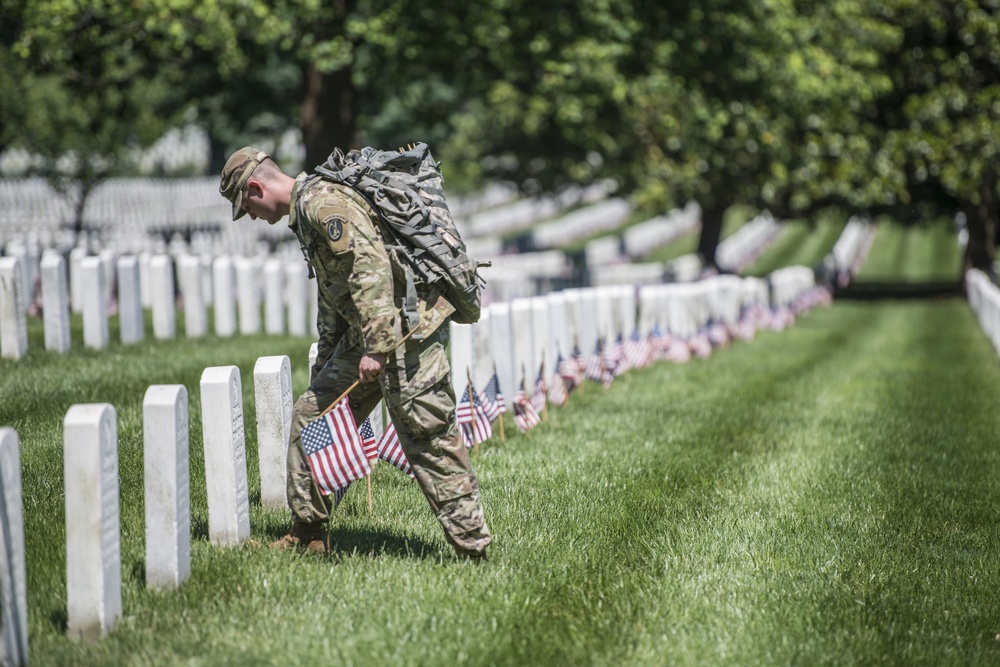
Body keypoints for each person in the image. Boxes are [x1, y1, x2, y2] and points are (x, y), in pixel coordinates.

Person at [219, 146, 491, 559]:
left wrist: (379, 348)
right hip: (371, 336)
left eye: (247, 206)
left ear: (256, 187)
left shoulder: (322, 204)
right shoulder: (306, 214)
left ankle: (473, 549)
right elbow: (335, 296)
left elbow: (371, 266)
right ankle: (309, 533)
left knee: (428, 436)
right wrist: (328, 360)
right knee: (313, 414)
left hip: (405, 333)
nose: (253, 216)